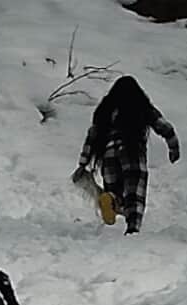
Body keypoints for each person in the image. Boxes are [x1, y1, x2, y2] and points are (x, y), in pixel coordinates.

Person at [70, 76, 180, 235]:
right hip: (132, 151)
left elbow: (92, 136)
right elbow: (164, 127)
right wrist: (173, 146)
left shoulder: (105, 111)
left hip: (108, 156)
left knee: (116, 192)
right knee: (134, 193)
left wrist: (82, 163)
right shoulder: (141, 106)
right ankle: (132, 228)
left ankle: (111, 198)